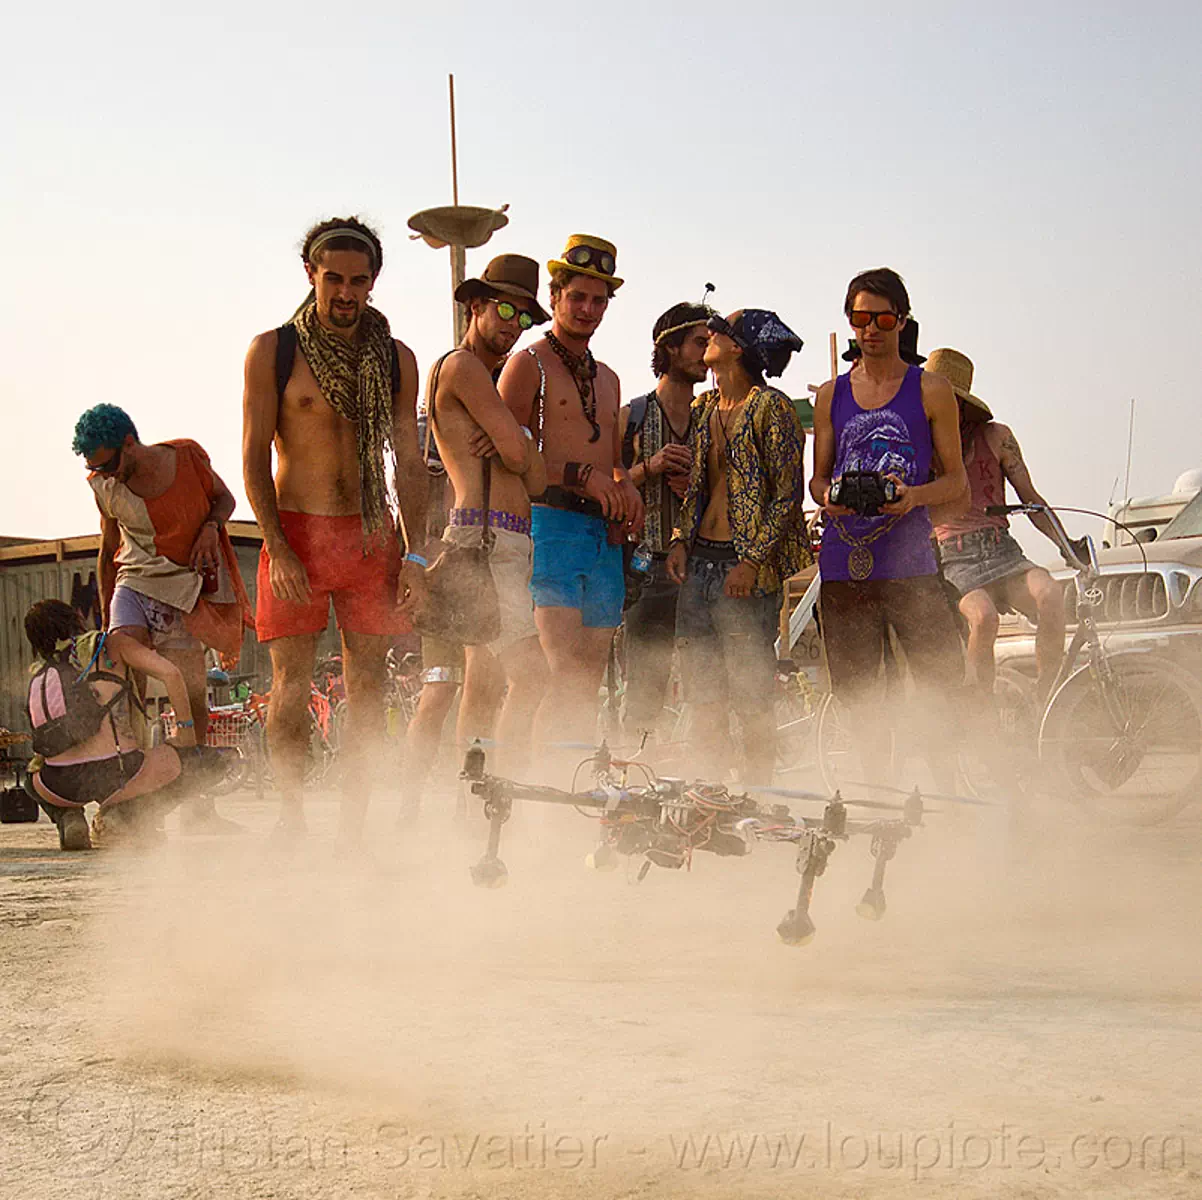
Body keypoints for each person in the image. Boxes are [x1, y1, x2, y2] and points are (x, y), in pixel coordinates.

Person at [242, 217, 429, 840]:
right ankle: (292, 818)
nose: (346, 293)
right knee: (291, 685)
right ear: (310, 276)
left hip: (371, 532)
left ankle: (355, 827)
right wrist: (277, 547)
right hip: (295, 531)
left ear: (373, 281)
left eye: (359, 280)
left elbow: (407, 460)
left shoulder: (397, 359)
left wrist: (415, 552)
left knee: (370, 687)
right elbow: (253, 458)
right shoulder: (274, 351)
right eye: (333, 279)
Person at [810, 268, 967, 784]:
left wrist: (913, 496)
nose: (870, 329)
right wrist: (831, 497)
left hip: (910, 560)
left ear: (902, 320)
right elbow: (816, 481)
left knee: (941, 680)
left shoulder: (932, 390)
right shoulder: (831, 394)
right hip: (844, 562)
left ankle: (945, 790)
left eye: (882, 318)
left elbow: (957, 484)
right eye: (860, 318)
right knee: (856, 694)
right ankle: (875, 793)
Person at [73, 404, 251, 834]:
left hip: (182, 587)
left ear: (129, 443)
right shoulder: (103, 484)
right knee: (118, 674)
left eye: (109, 463)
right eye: (96, 467)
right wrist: (105, 611)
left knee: (190, 695)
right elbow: (107, 547)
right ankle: (129, 791)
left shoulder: (186, 458)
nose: (106, 474)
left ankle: (198, 803)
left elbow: (224, 498)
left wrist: (211, 527)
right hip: (133, 582)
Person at [498, 236, 643, 749]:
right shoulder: (527, 363)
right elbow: (505, 455)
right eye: (577, 297)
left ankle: (568, 787)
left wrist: (628, 490)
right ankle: (525, 790)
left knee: (587, 681)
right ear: (555, 297)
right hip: (549, 527)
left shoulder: (609, 379)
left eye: (598, 300)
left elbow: (616, 461)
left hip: (601, 538)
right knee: (556, 673)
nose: (587, 309)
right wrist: (581, 476)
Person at [666, 310, 809, 785]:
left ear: (740, 347)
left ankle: (758, 798)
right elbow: (697, 490)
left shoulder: (773, 407)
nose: (709, 334)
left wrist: (752, 560)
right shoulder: (706, 407)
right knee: (703, 698)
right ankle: (708, 800)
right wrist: (681, 540)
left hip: (744, 568)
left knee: (751, 700)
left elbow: (789, 495)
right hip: (702, 561)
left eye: (721, 331)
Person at [423, 253, 549, 782]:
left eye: (523, 317)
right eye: (504, 310)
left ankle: (477, 792)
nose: (513, 326)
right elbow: (526, 464)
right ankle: (497, 785)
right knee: (531, 675)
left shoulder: (483, 378)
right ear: (476, 305)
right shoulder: (464, 366)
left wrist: (511, 436)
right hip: (488, 537)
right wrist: (516, 441)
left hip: (499, 537)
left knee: (485, 677)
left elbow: (536, 477)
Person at [927, 348, 1067, 699]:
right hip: (954, 558)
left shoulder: (996, 436)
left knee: (1051, 592)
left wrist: (1067, 546)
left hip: (1002, 550)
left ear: (961, 405)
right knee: (984, 618)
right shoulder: (922, 446)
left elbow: (1031, 500)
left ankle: (1047, 699)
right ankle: (980, 711)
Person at [24, 599, 214, 849]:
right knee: (203, 762)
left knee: (30, 780)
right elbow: (172, 674)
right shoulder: (110, 645)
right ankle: (126, 815)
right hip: (118, 773)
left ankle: (69, 817)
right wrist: (185, 732)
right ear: (76, 618)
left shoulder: (40, 671)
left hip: (58, 784)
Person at [618, 302, 711, 742]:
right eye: (698, 342)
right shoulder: (632, 415)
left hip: (700, 568)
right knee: (643, 690)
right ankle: (634, 779)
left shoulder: (712, 417)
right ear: (669, 347)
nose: (706, 353)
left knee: (707, 688)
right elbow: (610, 487)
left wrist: (697, 485)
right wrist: (648, 467)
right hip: (644, 567)